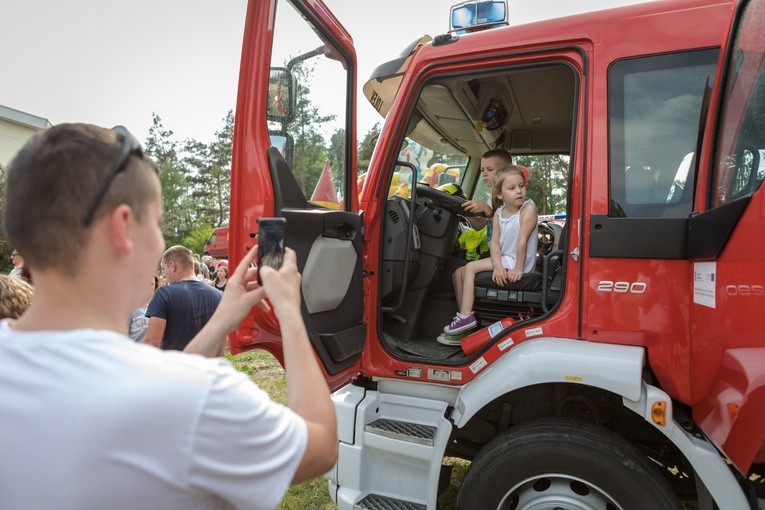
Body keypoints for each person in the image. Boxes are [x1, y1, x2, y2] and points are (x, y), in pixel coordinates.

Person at [0, 123, 336, 510]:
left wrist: (224, 317)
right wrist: (290, 311)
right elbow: (321, 443)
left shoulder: (174, 393)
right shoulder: (197, 398)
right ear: (123, 227)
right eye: (156, 223)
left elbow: (161, 383)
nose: (159, 244)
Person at [444, 165, 538, 335]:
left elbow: (522, 241)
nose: (519, 191)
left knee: (471, 267)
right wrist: (498, 266)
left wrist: (517, 268)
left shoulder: (528, 209)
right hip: (505, 258)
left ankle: (466, 316)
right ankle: (465, 321)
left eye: (521, 186)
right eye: (512, 188)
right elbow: (494, 243)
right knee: (458, 273)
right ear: (499, 194)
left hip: (518, 262)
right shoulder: (499, 213)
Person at [145, 245, 223, 352]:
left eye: (164, 269)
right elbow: (221, 342)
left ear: (172, 265)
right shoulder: (218, 295)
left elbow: (152, 343)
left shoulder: (164, 294)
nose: (163, 274)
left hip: (176, 365)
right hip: (207, 365)